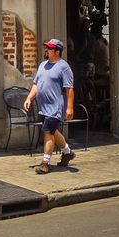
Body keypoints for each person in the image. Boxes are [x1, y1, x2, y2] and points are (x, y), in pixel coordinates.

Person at [23, 38, 76, 174]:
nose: (46, 50)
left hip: (55, 107)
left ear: (57, 52)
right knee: (52, 131)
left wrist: (69, 108)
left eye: (49, 48)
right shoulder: (43, 65)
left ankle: (46, 163)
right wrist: (29, 98)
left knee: (48, 132)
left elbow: (69, 89)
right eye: (46, 47)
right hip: (43, 107)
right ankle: (67, 152)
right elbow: (36, 84)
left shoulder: (64, 67)